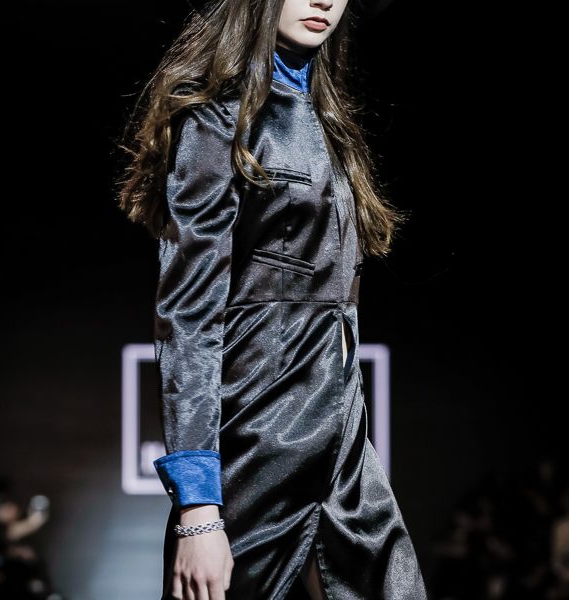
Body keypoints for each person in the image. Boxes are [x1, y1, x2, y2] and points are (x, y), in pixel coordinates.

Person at [117, 0, 427, 598]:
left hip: (342, 437)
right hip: (258, 437)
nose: (324, 1)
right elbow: (189, 314)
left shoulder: (330, 123)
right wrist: (199, 508)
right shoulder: (215, 120)